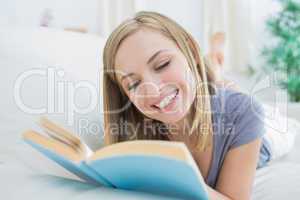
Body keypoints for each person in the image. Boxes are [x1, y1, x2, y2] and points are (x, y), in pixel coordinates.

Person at [102, 11, 273, 200]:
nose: (153, 91)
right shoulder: (134, 130)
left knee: (224, 88)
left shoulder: (245, 112)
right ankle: (213, 69)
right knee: (210, 83)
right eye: (133, 84)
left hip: (264, 135)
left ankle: (215, 63)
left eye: (162, 64)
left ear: (190, 49)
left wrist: (174, 177)